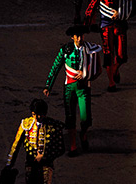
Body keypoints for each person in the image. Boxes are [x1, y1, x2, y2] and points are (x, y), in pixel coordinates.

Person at [43, 25, 102, 155]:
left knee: (85, 118)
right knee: (70, 118)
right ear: (72, 37)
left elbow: (97, 69)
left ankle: (84, 134)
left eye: (82, 36)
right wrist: (48, 85)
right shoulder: (65, 50)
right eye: (77, 36)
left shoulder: (89, 49)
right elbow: (55, 67)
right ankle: (73, 146)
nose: (80, 38)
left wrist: (86, 74)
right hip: (69, 88)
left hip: (83, 88)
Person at [85, 0, 136, 92]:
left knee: (122, 56)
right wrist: (86, 24)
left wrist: (121, 14)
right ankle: (111, 83)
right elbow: (91, 8)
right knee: (108, 54)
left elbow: (134, 9)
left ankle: (115, 70)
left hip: (120, 25)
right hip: (106, 26)